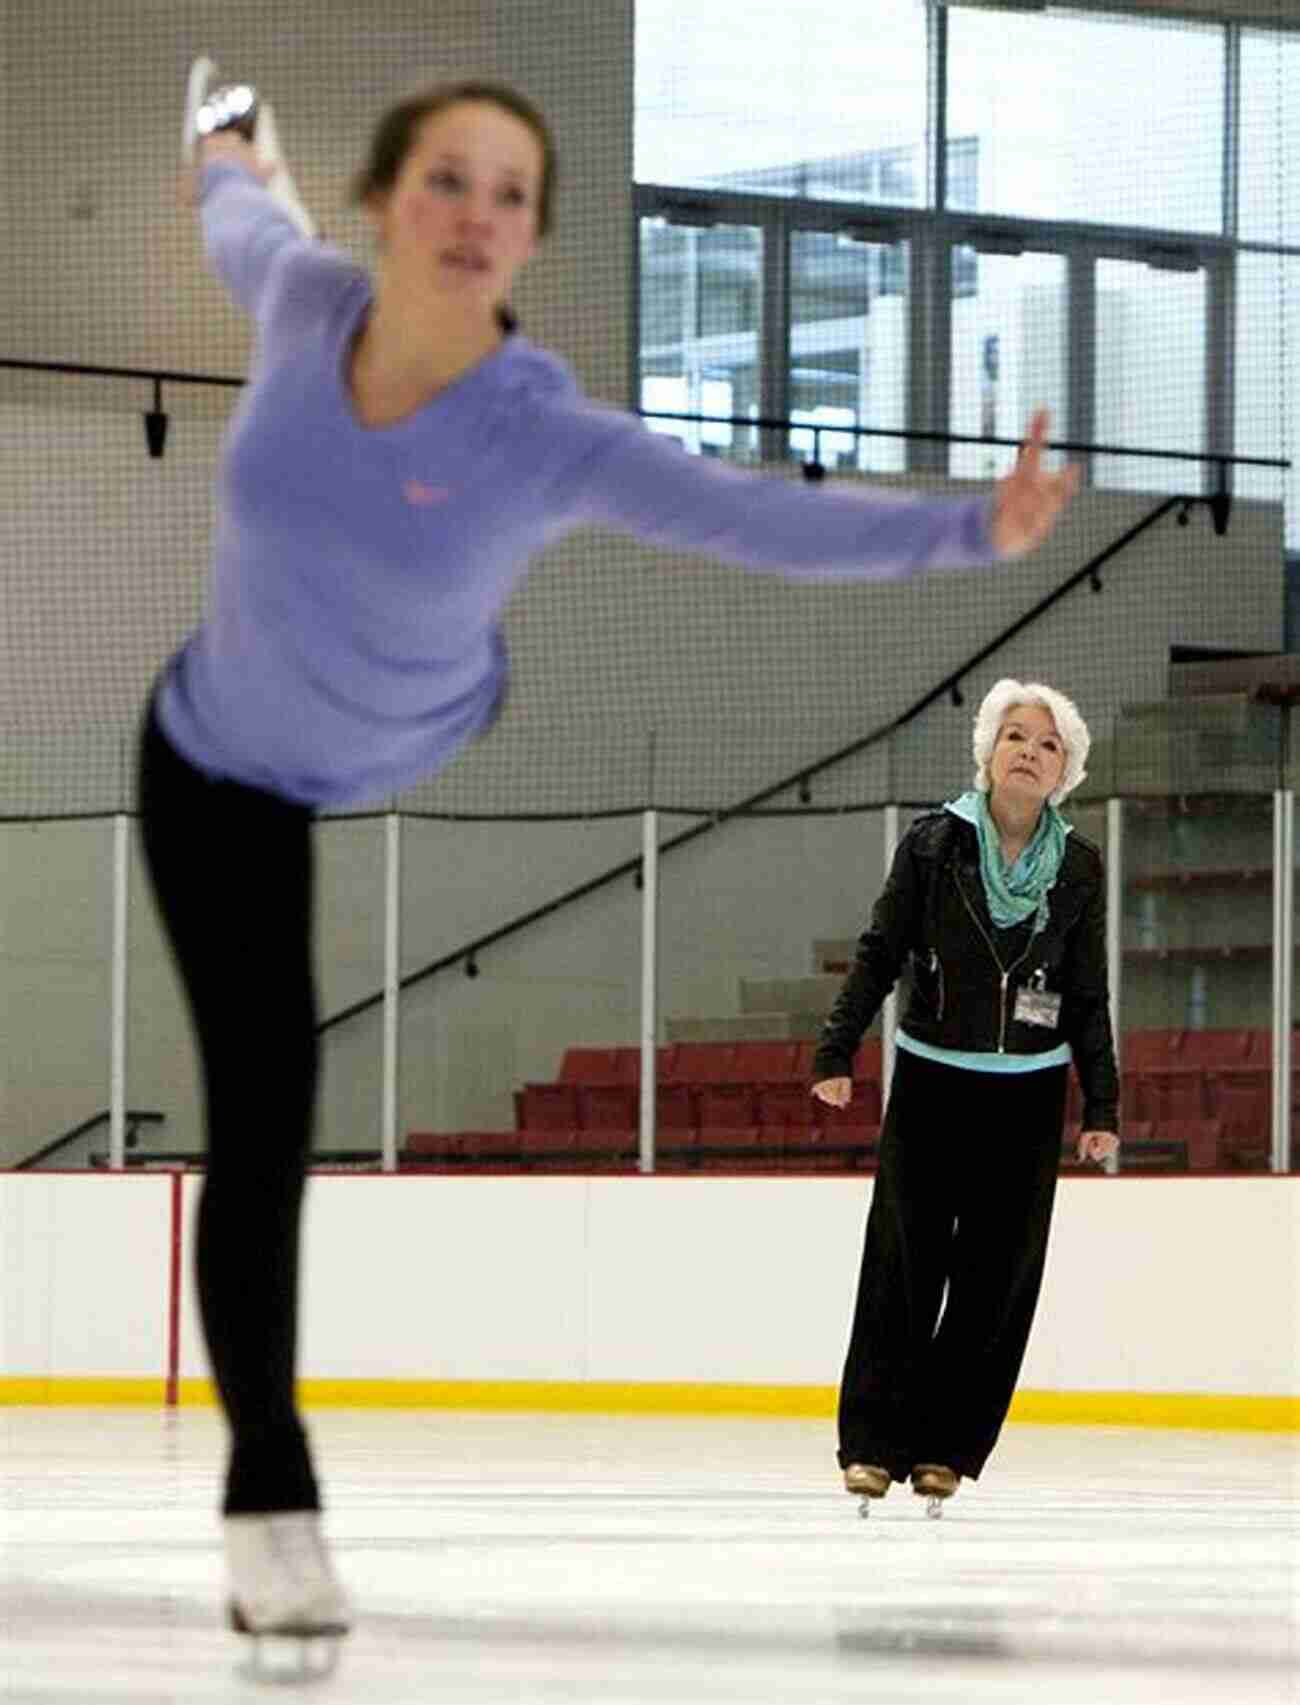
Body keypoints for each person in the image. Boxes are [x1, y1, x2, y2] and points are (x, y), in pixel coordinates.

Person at [143, 67, 1081, 1646]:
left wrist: (962, 532)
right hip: (217, 765)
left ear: (530, 240)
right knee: (260, 1113)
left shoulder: (541, 430)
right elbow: (239, 207)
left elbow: (745, 515)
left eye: (510, 195)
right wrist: (225, 150)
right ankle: (270, 1503)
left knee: (283, 1051)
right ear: (384, 201)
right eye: (447, 178)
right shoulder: (302, 295)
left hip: (412, 724)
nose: (476, 215)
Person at [811, 679, 1119, 1519]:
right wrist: (836, 1047)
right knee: (905, 1263)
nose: (1028, 750)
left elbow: (1088, 993)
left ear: (1065, 771)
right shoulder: (932, 845)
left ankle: (947, 1447)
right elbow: (879, 951)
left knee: (995, 1277)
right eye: (1014, 735)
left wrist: (1103, 1105)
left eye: (1047, 743)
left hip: (1028, 1091)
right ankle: (873, 1443)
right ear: (987, 753)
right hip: (933, 1077)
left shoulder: (1081, 868)